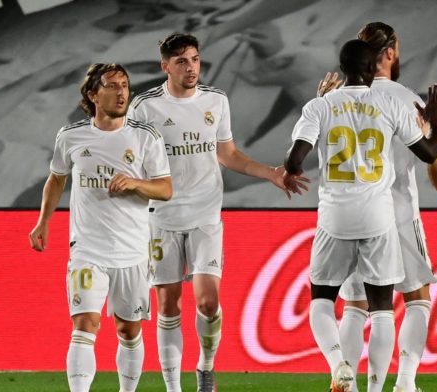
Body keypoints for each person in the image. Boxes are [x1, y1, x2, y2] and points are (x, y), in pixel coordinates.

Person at [128, 33, 306, 392]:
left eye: (194, 59)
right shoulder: (144, 108)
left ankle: (206, 368)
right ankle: (173, 387)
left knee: (208, 302)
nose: (190, 67)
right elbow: (131, 164)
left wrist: (272, 172)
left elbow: (228, 155)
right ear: (165, 67)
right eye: (181, 61)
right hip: (160, 218)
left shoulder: (216, 100)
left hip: (206, 217)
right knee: (167, 304)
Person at [283, 39, 437, 392]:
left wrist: (295, 168)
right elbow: (430, 153)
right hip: (379, 217)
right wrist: (433, 122)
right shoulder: (390, 103)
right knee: (382, 309)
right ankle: (381, 387)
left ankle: (338, 366)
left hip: (335, 218)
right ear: (374, 68)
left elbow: (294, 161)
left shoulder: (321, 106)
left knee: (324, 299)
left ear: (341, 70)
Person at [28, 63, 173, 392]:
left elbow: (165, 189)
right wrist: (43, 221)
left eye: (124, 85)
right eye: (112, 86)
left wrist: (135, 184)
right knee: (85, 324)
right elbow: (56, 179)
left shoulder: (144, 136)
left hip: (133, 251)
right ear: (93, 94)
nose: (121, 92)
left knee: (129, 331)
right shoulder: (71, 136)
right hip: (88, 250)